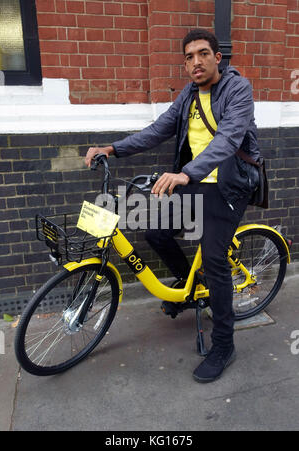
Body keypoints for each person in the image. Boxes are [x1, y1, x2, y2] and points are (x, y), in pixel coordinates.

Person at [85, 28, 260, 383]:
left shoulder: (239, 90)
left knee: (214, 260)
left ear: (217, 58)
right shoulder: (189, 95)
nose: (195, 62)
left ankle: (224, 345)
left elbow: (228, 139)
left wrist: (185, 174)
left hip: (229, 186)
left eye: (202, 54)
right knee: (156, 232)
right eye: (188, 57)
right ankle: (188, 289)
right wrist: (113, 149)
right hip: (196, 182)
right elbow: (158, 129)